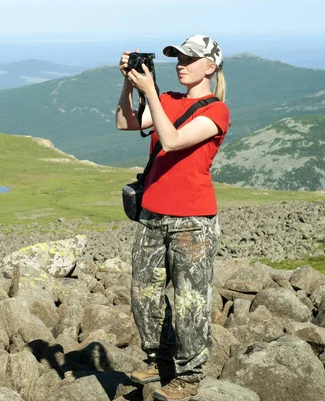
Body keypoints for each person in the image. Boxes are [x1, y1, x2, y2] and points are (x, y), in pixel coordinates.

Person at [115, 34, 230, 401]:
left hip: (193, 220)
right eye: (177, 57)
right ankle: (159, 358)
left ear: (210, 67)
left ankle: (189, 375)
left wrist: (150, 91)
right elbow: (124, 123)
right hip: (152, 214)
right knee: (143, 294)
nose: (181, 63)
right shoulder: (166, 99)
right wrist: (128, 84)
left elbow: (173, 141)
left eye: (189, 59)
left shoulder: (216, 111)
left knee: (189, 300)